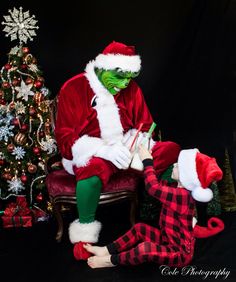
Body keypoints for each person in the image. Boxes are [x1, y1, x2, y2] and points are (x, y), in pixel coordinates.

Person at [54, 41, 181, 260]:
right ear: (103, 67)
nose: (124, 85)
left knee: (171, 149)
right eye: (119, 77)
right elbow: (66, 141)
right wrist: (103, 150)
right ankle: (85, 234)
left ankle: (179, 218)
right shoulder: (74, 88)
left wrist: (138, 146)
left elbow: (145, 123)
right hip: (94, 153)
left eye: (129, 79)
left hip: (126, 147)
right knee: (91, 169)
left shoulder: (131, 88)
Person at [84, 145, 225, 268]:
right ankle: (107, 250)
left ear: (186, 177)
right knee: (139, 228)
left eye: (179, 165)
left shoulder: (182, 196)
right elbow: (158, 186)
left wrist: (147, 161)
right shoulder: (176, 188)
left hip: (179, 254)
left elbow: (153, 187)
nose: (175, 165)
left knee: (144, 249)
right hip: (166, 239)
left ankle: (111, 260)